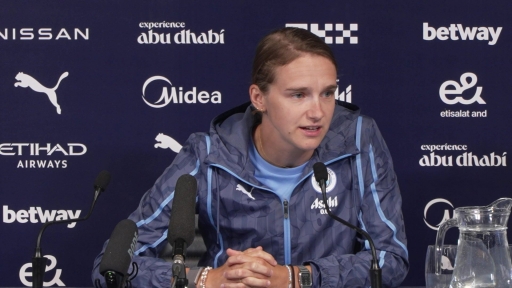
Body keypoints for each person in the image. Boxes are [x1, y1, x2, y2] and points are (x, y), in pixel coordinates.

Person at [92, 27, 408, 288]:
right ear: (259, 98)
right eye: (299, 95)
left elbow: (391, 259)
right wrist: (207, 281)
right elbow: (109, 269)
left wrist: (298, 277)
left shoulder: (357, 140)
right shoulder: (208, 155)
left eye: (327, 93)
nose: (318, 112)